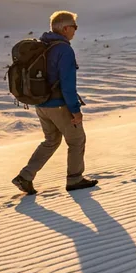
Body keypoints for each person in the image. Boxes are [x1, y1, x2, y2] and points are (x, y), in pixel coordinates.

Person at [12, 11, 98, 195]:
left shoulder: (43, 45)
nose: (75, 31)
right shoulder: (64, 49)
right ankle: (75, 179)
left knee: (51, 141)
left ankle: (25, 176)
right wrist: (75, 110)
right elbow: (67, 84)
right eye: (74, 27)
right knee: (77, 140)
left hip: (41, 104)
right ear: (65, 28)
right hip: (59, 105)